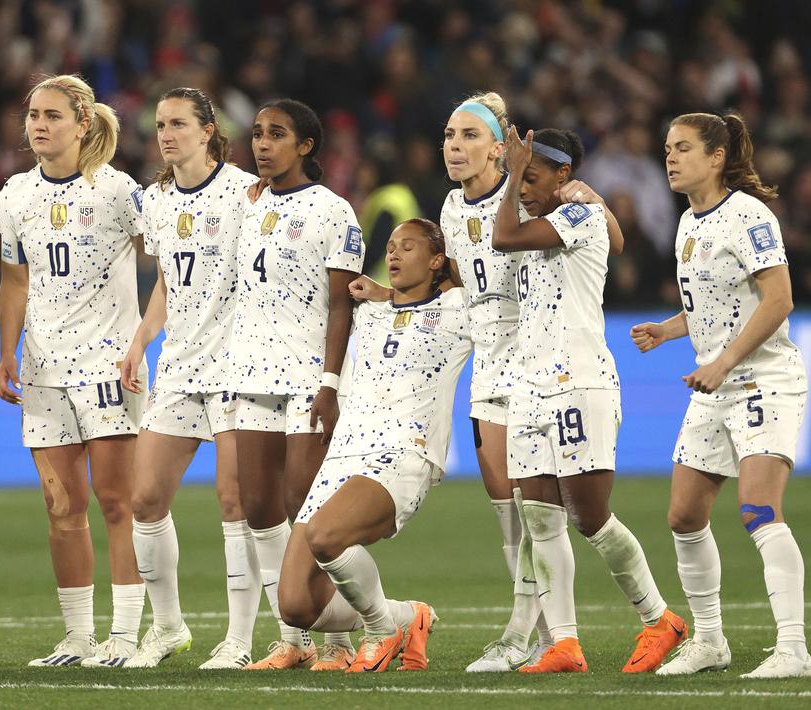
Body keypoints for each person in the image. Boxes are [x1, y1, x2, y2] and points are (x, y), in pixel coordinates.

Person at [349, 93, 623, 672]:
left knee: (537, 513)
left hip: (536, 363)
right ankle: (545, 636)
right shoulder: (449, 207)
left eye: (469, 135)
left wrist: (594, 197)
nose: (455, 146)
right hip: (485, 363)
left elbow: (609, 242)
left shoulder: (528, 193)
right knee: (509, 513)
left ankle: (527, 633)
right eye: (449, 135)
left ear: (501, 148)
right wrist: (390, 295)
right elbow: (456, 281)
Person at [493, 125, 685, 674]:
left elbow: (505, 237)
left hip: (579, 382)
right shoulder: (560, 216)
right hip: (529, 388)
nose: (523, 186)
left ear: (563, 175)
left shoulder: (575, 216)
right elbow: (616, 239)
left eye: (532, 176)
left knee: (591, 516)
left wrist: (511, 180)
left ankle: (659, 619)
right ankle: (565, 644)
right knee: (540, 516)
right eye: (520, 177)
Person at [633, 112, 809, 679]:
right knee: (684, 516)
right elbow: (711, 303)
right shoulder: (688, 223)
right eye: (666, 148)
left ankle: (792, 648)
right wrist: (666, 329)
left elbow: (777, 300)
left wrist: (723, 361)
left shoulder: (750, 217)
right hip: (714, 383)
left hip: (763, 379)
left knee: (758, 509)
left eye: (683, 148)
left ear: (716, 157)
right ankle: (711, 641)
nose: (670, 157)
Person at [0, 74, 147, 668]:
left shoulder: (119, 192)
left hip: (108, 363)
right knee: (61, 509)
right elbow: (14, 278)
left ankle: (126, 635)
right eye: (33, 114)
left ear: (83, 124)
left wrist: (144, 339)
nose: (38, 124)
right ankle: (79, 637)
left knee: (117, 503)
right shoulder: (14, 194)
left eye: (52, 115)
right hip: (43, 367)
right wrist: (9, 352)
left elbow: (165, 264)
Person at [278, 218, 468, 673]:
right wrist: (385, 295)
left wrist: (437, 279)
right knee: (296, 605)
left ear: (438, 260)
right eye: (390, 247)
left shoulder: (460, 312)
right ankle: (406, 617)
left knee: (326, 535)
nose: (395, 254)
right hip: (344, 452)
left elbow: (482, 277)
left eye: (409, 247)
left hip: (403, 454)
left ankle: (381, 631)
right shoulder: (370, 310)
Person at [119, 88, 263, 669]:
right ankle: (169, 627)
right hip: (180, 365)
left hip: (237, 362)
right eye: (160, 125)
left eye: (179, 123)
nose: (167, 134)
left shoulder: (246, 193)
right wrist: (140, 339)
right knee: (145, 496)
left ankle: (240, 639)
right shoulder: (155, 199)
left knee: (235, 500)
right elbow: (164, 283)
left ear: (208, 131)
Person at [232, 99, 363, 670]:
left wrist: (330, 382)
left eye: (276, 135)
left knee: (309, 508)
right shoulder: (248, 205)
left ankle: (342, 641)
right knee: (259, 508)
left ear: (305, 146)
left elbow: (342, 305)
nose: (262, 144)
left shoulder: (334, 212)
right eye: (258, 134)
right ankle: (294, 641)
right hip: (250, 371)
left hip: (310, 376)